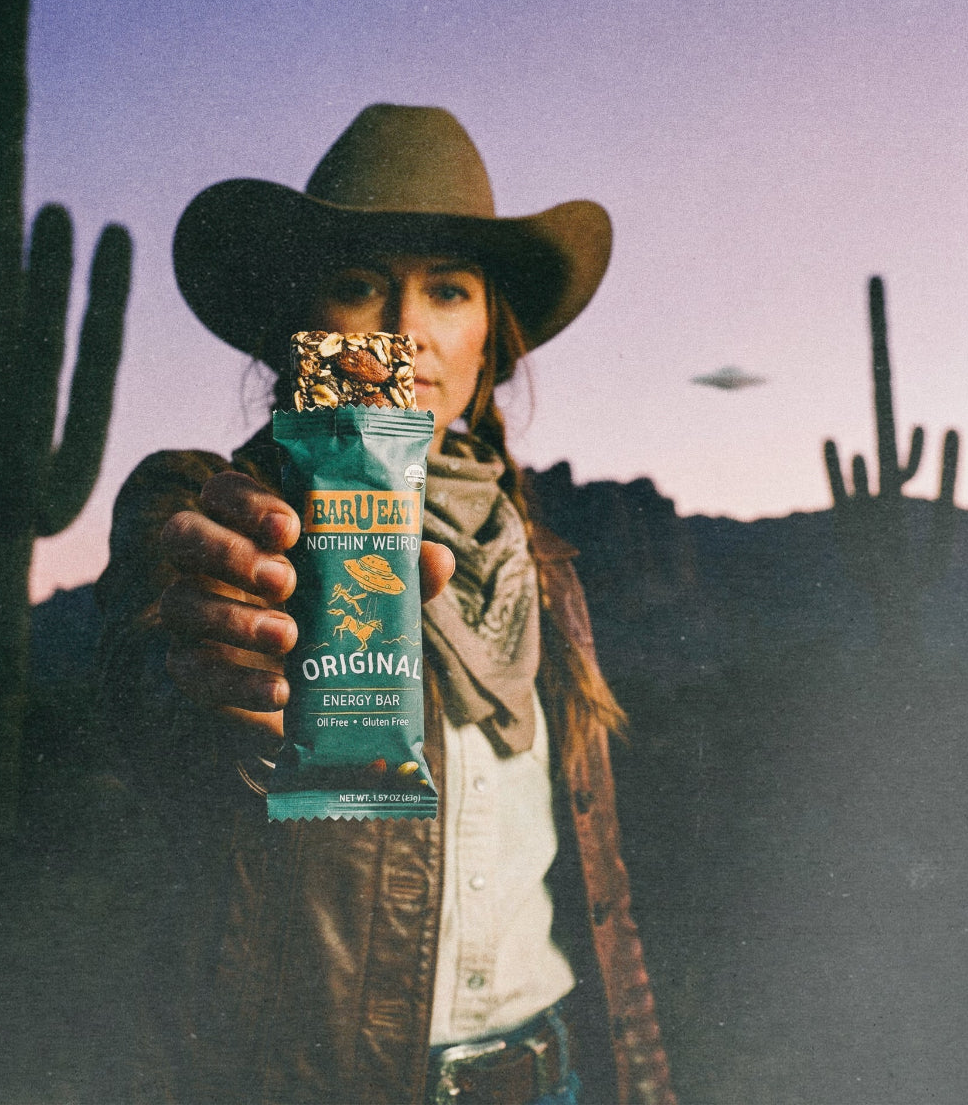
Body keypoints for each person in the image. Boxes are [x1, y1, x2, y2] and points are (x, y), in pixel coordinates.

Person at [96, 104, 675, 1105]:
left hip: (555, 1075)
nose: (405, 332)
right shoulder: (221, 510)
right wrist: (210, 659)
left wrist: (650, 1085)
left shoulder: (541, 569)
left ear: (489, 337)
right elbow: (158, 659)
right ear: (305, 329)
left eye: (447, 291)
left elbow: (599, 891)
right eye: (361, 286)